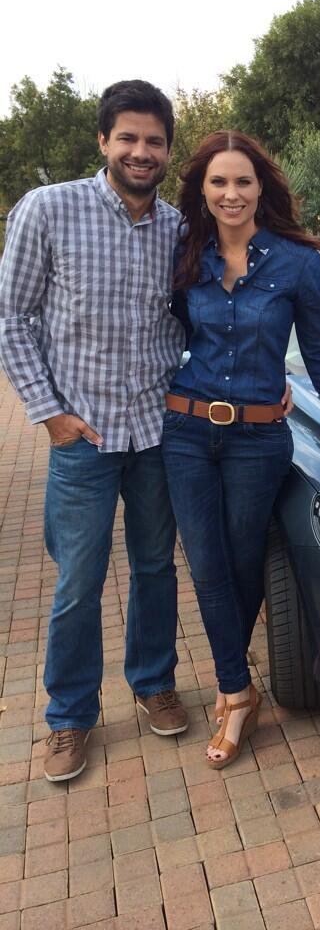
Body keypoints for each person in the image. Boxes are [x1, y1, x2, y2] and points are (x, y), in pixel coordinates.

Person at [162, 130, 320, 768]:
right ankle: (235, 691)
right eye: (218, 182)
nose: (231, 193)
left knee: (244, 561)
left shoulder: (298, 261)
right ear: (202, 191)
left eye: (242, 181)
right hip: (186, 431)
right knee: (206, 565)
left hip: (258, 439)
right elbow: (162, 334)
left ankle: (233, 679)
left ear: (261, 188)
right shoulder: (183, 252)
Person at [0, 81, 193, 781]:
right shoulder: (49, 209)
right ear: (103, 141)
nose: (142, 152)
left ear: (167, 150)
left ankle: (154, 682)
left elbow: (195, 323)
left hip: (156, 433)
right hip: (83, 438)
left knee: (155, 569)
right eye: (129, 138)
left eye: (154, 141)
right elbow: (12, 318)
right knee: (79, 582)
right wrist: (49, 414)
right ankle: (70, 716)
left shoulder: (178, 229)